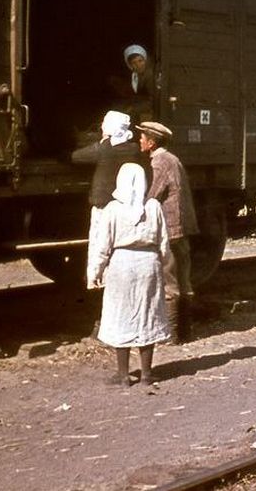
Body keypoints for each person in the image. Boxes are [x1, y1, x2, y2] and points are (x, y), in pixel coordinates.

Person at [86, 162, 171, 386]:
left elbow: (102, 245)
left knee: (120, 315)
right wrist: (159, 262)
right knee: (148, 314)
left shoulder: (112, 209)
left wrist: (95, 271)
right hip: (148, 265)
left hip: (121, 265)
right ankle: (146, 375)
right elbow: (164, 243)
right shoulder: (153, 206)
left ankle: (123, 376)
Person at [137, 121, 199, 344]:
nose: (139, 141)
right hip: (181, 227)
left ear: (152, 143)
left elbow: (152, 195)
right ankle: (186, 331)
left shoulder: (159, 162)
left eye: (142, 137)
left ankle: (171, 335)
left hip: (170, 228)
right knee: (184, 278)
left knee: (169, 280)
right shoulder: (173, 159)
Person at [72, 110, 145, 234]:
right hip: (126, 206)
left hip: (104, 206)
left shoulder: (103, 148)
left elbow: (75, 157)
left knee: (100, 242)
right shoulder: (134, 149)